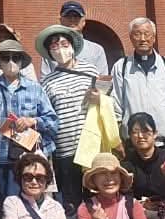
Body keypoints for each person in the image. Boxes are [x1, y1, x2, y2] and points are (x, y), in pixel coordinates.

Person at [36, 22, 110, 208]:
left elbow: (106, 101)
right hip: (64, 149)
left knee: (97, 198)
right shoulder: (47, 82)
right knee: (72, 203)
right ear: (49, 52)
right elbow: (47, 115)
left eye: (64, 44)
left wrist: (99, 98)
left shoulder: (90, 71)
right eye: (54, 46)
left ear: (72, 46)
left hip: (90, 145)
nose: (60, 49)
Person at [0, 39, 58, 200]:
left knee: (32, 200)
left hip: (29, 156)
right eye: (5, 58)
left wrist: (33, 121)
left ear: (21, 62)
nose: (11, 62)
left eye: (16, 58)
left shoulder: (35, 88)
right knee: (6, 202)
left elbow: (53, 121)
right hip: (2, 156)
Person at [111, 17, 165, 152]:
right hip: (136, 143)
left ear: (154, 37)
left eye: (147, 34)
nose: (142, 39)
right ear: (131, 38)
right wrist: (118, 139)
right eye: (137, 34)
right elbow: (116, 106)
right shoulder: (121, 67)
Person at [122, 113, 165, 210]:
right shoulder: (126, 164)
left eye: (145, 131)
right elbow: (126, 195)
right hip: (139, 210)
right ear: (130, 136)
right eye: (135, 132)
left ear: (155, 134)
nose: (140, 136)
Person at [46, 0, 109, 78]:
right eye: (68, 16)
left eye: (76, 16)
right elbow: (45, 81)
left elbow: (102, 81)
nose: (72, 19)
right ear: (61, 20)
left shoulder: (97, 50)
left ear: (83, 21)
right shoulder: (50, 50)